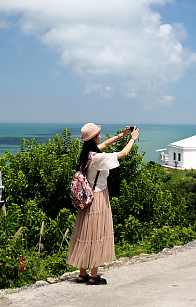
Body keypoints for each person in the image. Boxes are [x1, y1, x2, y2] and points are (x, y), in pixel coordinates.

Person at [67, 122, 140, 285]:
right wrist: (133, 139)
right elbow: (123, 153)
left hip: (87, 198)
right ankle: (93, 276)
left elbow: (106, 144)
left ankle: (82, 274)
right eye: (98, 134)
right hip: (98, 198)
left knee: (85, 233)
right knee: (96, 234)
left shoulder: (87, 154)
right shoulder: (98, 158)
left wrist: (122, 135)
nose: (101, 136)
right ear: (93, 138)